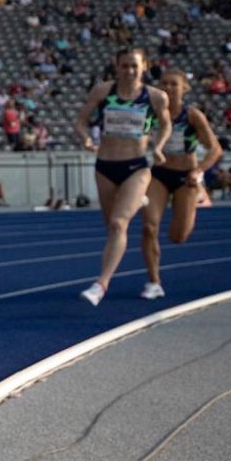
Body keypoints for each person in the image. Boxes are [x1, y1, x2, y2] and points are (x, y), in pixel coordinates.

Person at [73, 47, 171, 306]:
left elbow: (166, 124)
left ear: (144, 67)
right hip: (105, 166)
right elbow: (81, 120)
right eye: (125, 65)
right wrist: (85, 139)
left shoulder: (155, 97)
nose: (129, 71)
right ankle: (136, 201)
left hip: (137, 166)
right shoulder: (103, 91)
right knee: (112, 229)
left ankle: (100, 285)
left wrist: (158, 147)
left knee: (119, 224)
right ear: (117, 66)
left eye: (134, 66)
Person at [139, 68, 223, 300]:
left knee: (178, 236)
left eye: (174, 84)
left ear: (184, 88)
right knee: (149, 226)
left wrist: (199, 170)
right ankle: (154, 282)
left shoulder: (192, 115)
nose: (168, 87)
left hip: (186, 177)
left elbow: (215, 149)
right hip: (159, 174)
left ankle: (193, 202)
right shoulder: (152, 113)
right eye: (164, 83)